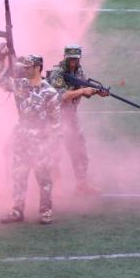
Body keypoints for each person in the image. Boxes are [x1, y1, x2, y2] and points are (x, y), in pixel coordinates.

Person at [0, 48, 62, 225]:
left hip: (41, 141)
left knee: (44, 178)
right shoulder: (20, 85)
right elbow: (0, 79)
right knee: (18, 175)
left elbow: (55, 123)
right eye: (25, 66)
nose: (25, 69)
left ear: (38, 67)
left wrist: (52, 146)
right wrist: (0, 59)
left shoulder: (50, 92)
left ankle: (46, 211)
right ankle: (17, 210)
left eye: (29, 66)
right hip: (21, 139)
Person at [46, 44, 106, 195]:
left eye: (75, 59)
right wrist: (83, 90)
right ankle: (56, 187)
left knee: (80, 152)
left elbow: (83, 88)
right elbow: (61, 96)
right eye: (70, 59)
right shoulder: (57, 73)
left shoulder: (79, 71)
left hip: (71, 117)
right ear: (65, 57)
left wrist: (97, 91)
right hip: (56, 118)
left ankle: (81, 184)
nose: (73, 62)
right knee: (55, 153)